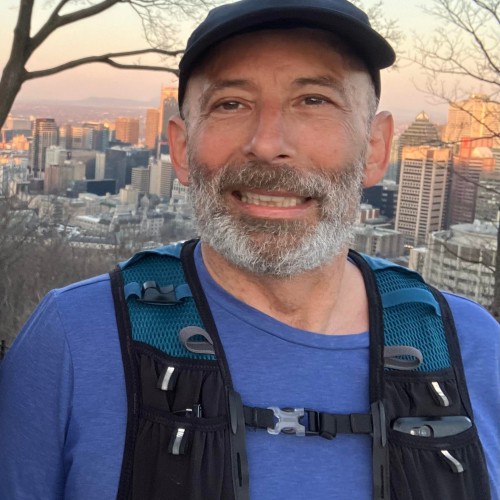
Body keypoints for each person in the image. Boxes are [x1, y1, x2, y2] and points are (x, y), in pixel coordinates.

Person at [1, 0, 499, 498]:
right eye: (231, 104)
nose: (267, 142)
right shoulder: (74, 340)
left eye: (314, 100)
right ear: (181, 148)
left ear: (375, 147)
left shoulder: (473, 350)